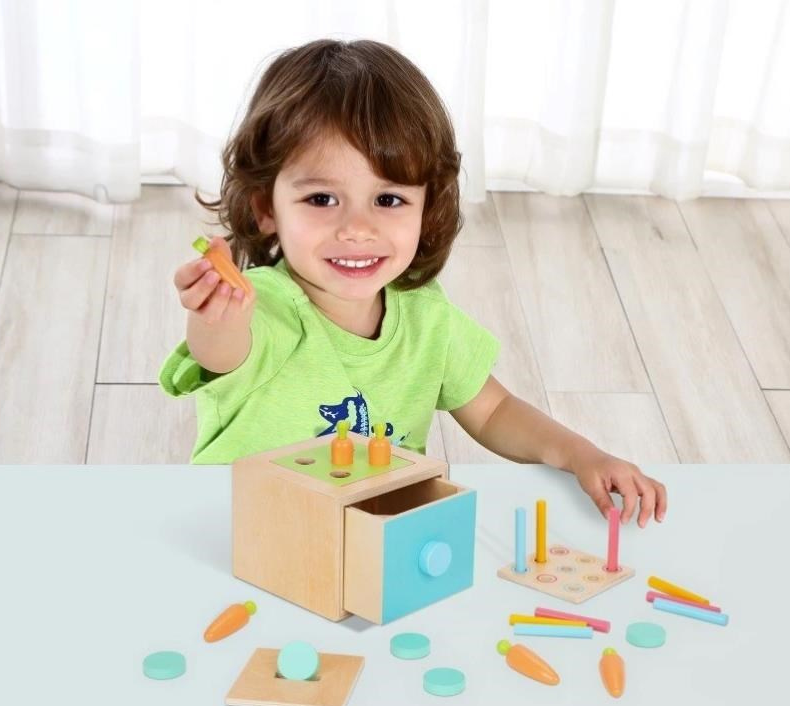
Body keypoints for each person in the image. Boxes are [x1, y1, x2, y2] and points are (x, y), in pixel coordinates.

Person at [159, 38, 666, 527]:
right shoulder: (263, 306)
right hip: (248, 534)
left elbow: (493, 411)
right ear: (266, 208)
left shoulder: (425, 315)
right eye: (321, 199)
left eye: (388, 200)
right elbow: (220, 353)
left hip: (372, 536)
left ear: (427, 208)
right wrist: (217, 314)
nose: (357, 229)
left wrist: (581, 455)